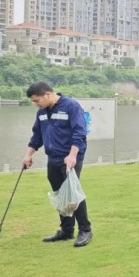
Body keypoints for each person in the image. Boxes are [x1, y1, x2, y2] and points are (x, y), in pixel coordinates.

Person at [22, 82, 93, 247]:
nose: (36, 104)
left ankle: (85, 230)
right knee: (60, 194)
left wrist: (72, 155)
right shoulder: (41, 112)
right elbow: (37, 136)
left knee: (73, 193)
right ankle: (67, 230)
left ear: (47, 94)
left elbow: (79, 132)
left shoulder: (71, 106)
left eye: (37, 100)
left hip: (70, 158)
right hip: (53, 158)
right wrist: (28, 155)